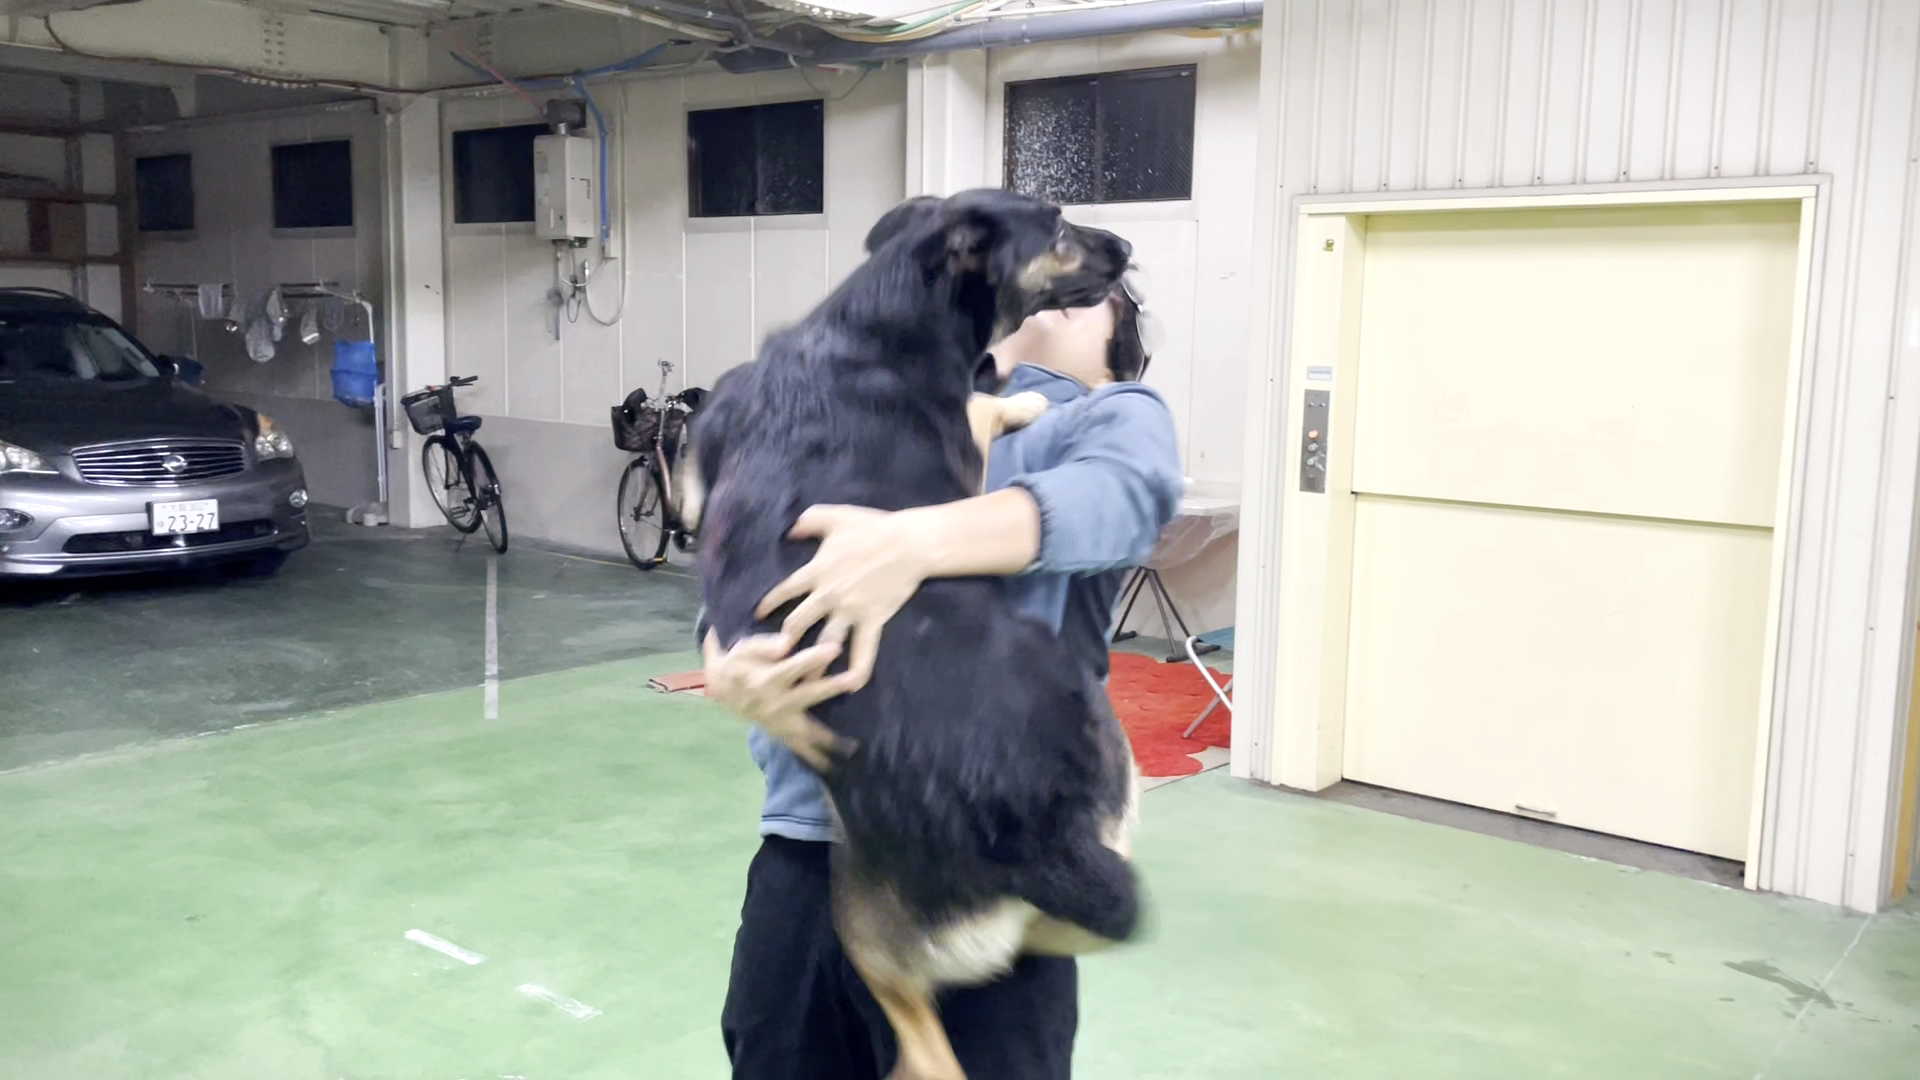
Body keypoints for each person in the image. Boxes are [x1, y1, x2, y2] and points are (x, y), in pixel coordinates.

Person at [702, 226, 1182, 1080]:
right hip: (805, 854)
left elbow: (1127, 496)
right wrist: (722, 661)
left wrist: (915, 543)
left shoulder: (1104, 415)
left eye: (1094, 292)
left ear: (1116, 347)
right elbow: (748, 562)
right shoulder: (860, 412)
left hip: (985, 856)